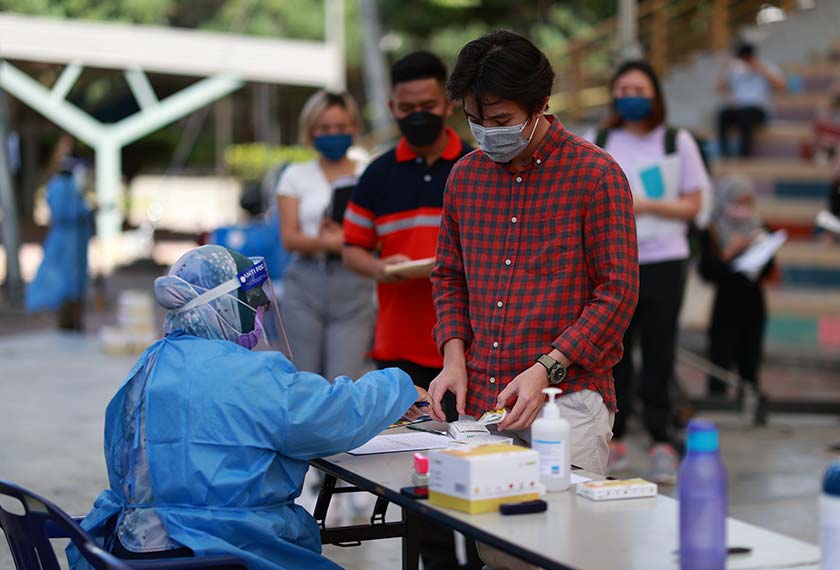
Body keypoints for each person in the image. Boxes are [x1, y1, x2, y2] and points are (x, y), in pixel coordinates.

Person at [67, 245, 427, 570]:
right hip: (225, 551)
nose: (259, 316)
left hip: (131, 553)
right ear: (224, 306)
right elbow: (331, 414)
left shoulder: (144, 366)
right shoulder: (250, 374)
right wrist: (396, 386)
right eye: (253, 305)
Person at [429, 30, 638, 570]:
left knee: (562, 549)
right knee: (496, 552)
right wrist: (453, 360)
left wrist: (547, 368)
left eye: (500, 122)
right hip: (484, 408)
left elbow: (617, 293)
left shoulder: (596, 176)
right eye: (476, 121)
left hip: (567, 403)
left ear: (542, 104)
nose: (487, 134)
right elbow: (448, 276)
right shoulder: (465, 179)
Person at [342, 51, 479, 570]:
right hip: (400, 347)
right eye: (407, 107)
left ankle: (481, 559)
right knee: (418, 477)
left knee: (474, 463)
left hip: (466, 346)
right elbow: (352, 245)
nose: (418, 114)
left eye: (428, 104)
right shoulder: (378, 174)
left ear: (446, 103)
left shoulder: (475, 163)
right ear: (392, 108)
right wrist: (382, 268)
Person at [587, 60, 711, 483]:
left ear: (655, 94)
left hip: (664, 261)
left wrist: (645, 204)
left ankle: (661, 439)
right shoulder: (600, 140)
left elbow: (694, 203)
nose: (631, 97)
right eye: (623, 89)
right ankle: (615, 437)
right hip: (612, 263)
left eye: (639, 89)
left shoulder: (677, 141)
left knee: (659, 350)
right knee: (613, 352)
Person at [277, 90, 374, 380]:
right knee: (303, 380)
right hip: (305, 285)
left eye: (341, 127)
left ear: (354, 128)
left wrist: (346, 239)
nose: (334, 134)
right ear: (311, 131)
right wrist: (326, 241)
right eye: (325, 128)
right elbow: (290, 238)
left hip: (353, 286)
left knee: (344, 381)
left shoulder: (368, 173)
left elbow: (380, 235)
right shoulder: (295, 176)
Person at [699, 176, 775, 398]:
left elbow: (769, 270)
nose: (742, 208)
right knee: (720, 357)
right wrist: (730, 253)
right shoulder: (712, 229)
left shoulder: (759, 228)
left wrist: (758, 252)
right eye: (737, 202)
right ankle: (717, 403)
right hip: (724, 303)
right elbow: (708, 271)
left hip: (752, 302)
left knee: (750, 356)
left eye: (747, 202)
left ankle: (748, 402)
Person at [25, 154, 92, 330]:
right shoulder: (62, 186)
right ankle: (67, 319)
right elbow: (65, 212)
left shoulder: (65, 185)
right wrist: (85, 210)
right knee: (64, 282)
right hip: (67, 239)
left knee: (74, 281)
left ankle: (72, 319)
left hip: (73, 239)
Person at [717, 40, 786, 158]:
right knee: (723, 114)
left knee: (746, 115)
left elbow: (781, 86)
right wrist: (725, 67)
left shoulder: (766, 66)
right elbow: (720, 88)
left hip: (758, 110)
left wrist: (761, 69)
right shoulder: (736, 70)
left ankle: (744, 155)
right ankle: (725, 153)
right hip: (740, 109)